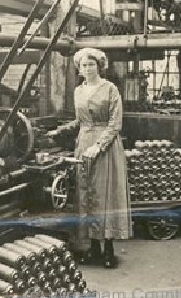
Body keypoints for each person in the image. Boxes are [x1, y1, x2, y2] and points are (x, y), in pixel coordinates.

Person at [47, 47, 132, 269]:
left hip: (106, 147)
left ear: (99, 66)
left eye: (91, 65)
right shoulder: (78, 91)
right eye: (84, 66)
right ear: (79, 69)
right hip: (83, 145)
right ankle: (93, 249)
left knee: (105, 196)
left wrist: (99, 146)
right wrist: (60, 131)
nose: (87, 69)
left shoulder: (110, 89)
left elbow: (115, 124)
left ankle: (109, 250)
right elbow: (80, 121)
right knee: (86, 195)